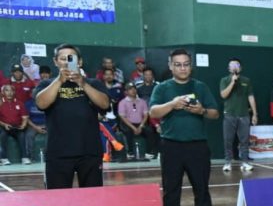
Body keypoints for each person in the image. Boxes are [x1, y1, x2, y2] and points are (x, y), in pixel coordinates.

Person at [149, 48, 220, 206]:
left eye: (186, 64)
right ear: (171, 66)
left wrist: (201, 110)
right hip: (171, 146)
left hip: (197, 147)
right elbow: (153, 112)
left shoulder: (201, 87)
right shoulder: (162, 88)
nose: (182, 68)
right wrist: (172, 104)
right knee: (171, 190)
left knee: (202, 189)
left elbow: (215, 113)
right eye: (178, 64)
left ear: (191, 66)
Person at [33, 43, 109, 188]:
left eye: (71, 58)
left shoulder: (93, 83)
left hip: (89, 151)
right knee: (58, 197)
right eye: (62, 59)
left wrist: (82, 83)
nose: (67, 62)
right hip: (58, 152)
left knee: (92, 196)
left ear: (79, 62)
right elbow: (41, 104)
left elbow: (105, 104)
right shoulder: (46, 84)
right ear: (55, 62)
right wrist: (59, 81)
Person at [219, 58, 258, 172]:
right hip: (229, 115)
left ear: (240, 68)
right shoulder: (224, 80)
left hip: (244, 115)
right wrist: (232, 82)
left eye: (237, 65)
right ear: (229, 68)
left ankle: (245, 162)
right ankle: (227, 162)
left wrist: (255, 114)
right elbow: (223, 95)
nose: (234, 67)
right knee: (228, 140)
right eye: (232, 65)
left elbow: (251, 97)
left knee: (244, 140)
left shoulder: (246, 80)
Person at [118, 82, 157, 159]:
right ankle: (130, 153)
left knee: (150, 131)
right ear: (126, 92)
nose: (133, 90)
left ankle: (148, 152)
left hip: (140, 123)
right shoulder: (122, 102)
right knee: (128, 132)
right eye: (130, 89)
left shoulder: (142, 101)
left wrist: (140, 126)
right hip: (128, 124)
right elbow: (123, 117)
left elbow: (146, 115)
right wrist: (133, 128)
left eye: (134, 89)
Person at [0, 84, 30, 165]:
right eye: (7, 90)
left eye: (11, 90)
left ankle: (25, 157)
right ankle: (3, 158)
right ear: (3, 92)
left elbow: (25, 117)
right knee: (3, 135)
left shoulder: (20, 103)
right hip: (4, 126)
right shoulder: (1, 103)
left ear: (14, 92)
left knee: (22, 135)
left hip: (16, 127)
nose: (9, 93)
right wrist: (4, 124)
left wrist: (23, 125)